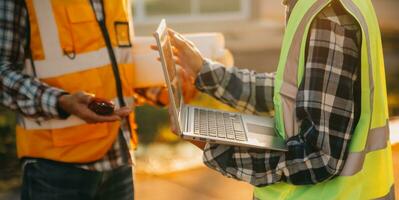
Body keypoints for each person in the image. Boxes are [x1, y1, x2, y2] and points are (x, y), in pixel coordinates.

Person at [166, 0, 394, 199]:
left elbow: (320, 156)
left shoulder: (328, 16)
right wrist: (204, 71)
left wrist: (219, 149)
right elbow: (291, 92)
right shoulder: (312, 7)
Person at [0, 0, 197, 199]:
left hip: (119, 159)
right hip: (55, 168)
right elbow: (3, 71)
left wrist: (166, 90)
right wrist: (60, 101)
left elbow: (118, 63)